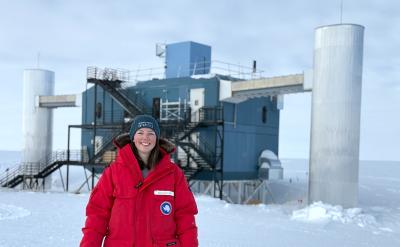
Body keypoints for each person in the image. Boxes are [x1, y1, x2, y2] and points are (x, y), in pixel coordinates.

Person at [80, 115, 198, 247]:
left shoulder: (174, 174)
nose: (145, 137)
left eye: (151, 133)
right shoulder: (113, 172)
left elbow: (185, 218)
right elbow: (97, 215)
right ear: (133, 138)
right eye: (140, 132)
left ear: (157, 138)